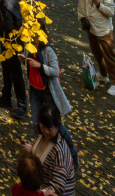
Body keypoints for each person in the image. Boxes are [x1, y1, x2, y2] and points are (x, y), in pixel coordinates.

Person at [19, 31, 78, 173]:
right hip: (34, 89)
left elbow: (55, 72)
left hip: (47, 91)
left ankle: (72, 154)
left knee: (55, 126)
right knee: (36, 123)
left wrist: (39, 66)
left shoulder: (48, 50)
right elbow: (28, 63)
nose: (31, 39)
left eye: (34, 37)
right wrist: (23, 60)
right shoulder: (29, 46)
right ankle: (40, 153)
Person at [61, 0, 115, 95]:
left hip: (103, 30)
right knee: (97, 53)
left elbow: (111, 11)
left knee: (109, 56)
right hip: (90, 27)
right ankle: (103, 75)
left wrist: (99, 4)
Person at [25, 105, 75, 196]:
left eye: (50, 128)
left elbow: (58, 186)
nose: (46, 131)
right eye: (43, 127)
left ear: (57, 126)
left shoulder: (59, 151)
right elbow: (39, 148)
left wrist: (39, 193)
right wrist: (30, 147)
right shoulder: (41, 134)